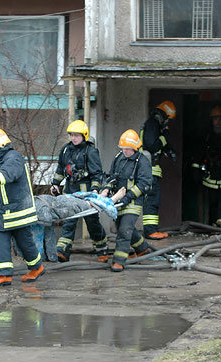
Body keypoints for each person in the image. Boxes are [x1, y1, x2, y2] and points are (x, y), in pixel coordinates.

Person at [0, 127, 44, 287]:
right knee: (24, 241)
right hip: (12, 210)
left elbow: (8, 174)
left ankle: (5, 275)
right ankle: (36, 267)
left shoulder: (12, 158)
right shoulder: (6, 159)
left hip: (15, 210)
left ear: (1, 145)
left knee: (2, 240)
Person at [50, 120, 108, 263]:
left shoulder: (90, 151)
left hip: (86, 193)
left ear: (84, 136)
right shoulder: (65, 150)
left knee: (92, 222)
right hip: (70, 190)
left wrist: (95, 190)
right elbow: (60, 170)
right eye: (72, 135)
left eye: (77, 135)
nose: (74, 138)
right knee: (69, 220)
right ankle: (62, 252)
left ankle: (102, 250)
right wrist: (56, 184)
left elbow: (97, 174)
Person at [101, 130, 152, 272]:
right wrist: (106, 189)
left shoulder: (142, 162)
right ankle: (142, 250)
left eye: (128, 148)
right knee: (124, 228)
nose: (125, 151)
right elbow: (111, 176)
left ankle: (119, 261)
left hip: (133, 203)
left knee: (124, 230)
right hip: (118, 202)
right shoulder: (119, 158)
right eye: (123, 148)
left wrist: (128, 197)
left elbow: (144, 184)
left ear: (135, 148)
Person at [191, 106, 221, 228]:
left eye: (220, 118)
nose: (218, 121)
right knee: (213, 201)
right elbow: (198, 155)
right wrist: (196, 172)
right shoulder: (207, 137)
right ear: (211, 121)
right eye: (215, 119)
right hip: (211, 175)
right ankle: (213, 225)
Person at [140, 100, 176, 240]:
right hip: (149, 171)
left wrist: (168, 149)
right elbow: (152, 145)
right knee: (152, 200)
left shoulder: (153, 125)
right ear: (163, 115)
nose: (167, 122)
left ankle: (151, 230)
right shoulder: (152, 124)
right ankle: (150, 231)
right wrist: (164, 138)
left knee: (153, 199)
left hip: (151, 169)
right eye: (167, 118)